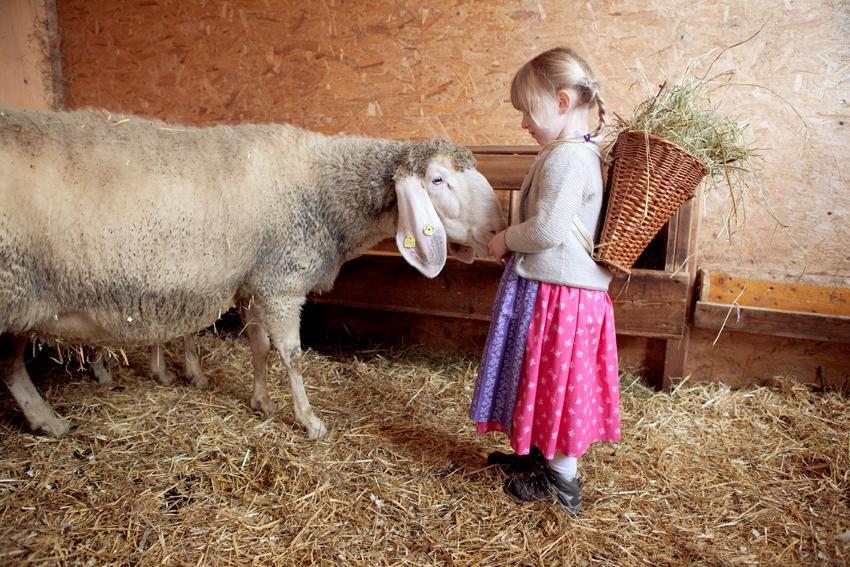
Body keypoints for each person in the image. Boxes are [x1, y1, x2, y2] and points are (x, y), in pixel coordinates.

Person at [469, 47, 620, 516]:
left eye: (527, 111)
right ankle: (537, 458)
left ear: (560, 101)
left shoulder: (568, 158)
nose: (523, 124)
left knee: (561, 380)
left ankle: (562, 482)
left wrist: (506, 240)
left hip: (562, 295)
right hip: (555, 288)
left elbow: (548, 229)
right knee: (542, 375)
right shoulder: (572, 152)